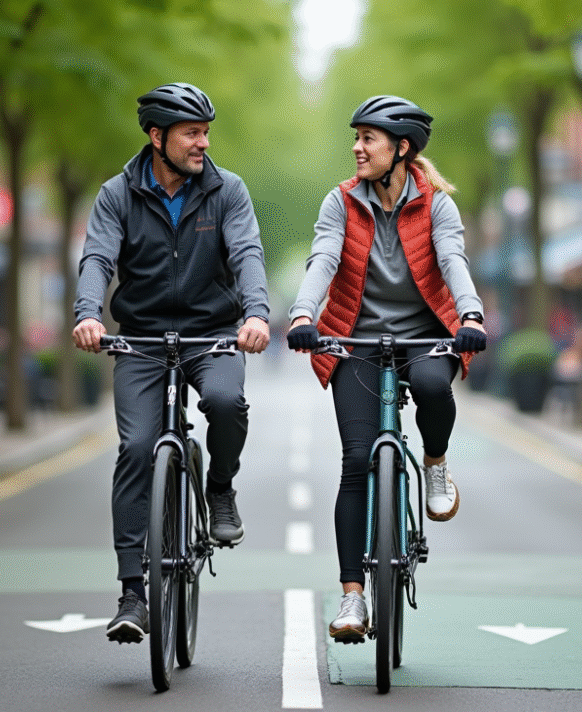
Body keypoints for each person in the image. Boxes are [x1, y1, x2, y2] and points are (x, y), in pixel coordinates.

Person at [72, 83, 270, 644]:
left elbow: (247, 253)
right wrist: (89, 314)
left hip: (212, 333)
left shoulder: (227, 190)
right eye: (191, 133)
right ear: (156, 136)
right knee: (136, 449)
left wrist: (255, 314)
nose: (202, 142)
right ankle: (133, 591)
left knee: (227, 402)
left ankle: (220, 488)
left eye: (206, 132)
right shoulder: (117, 194)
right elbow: (98, 257)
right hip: (141, 338)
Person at [285, 95, 487, 643]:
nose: (356, 147)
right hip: (355, 337)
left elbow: (451, 260)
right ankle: (353, 599)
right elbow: (324, 257)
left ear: (401, 149)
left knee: (428, 383)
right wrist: (305, 312)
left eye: (367, 139)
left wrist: (470, 314)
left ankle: (436, 462)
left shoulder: (437, 206)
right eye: (355, 137)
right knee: (356, 460)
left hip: (426, 336)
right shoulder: (341, 201)